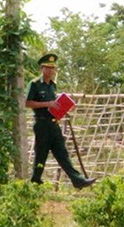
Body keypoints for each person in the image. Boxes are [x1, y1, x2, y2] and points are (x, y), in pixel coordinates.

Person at [26, 53, 95, 189]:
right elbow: (27, 103)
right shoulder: (34, 84)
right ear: (42, 68)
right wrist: (47, 104)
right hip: (41, 124)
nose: (50, 71)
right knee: (41, 155)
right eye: (47, 68)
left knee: (62, 153)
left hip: (53, 123)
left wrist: (64, 108)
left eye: (52, 68)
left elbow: (54, 105)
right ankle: (35, 182)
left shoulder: (53, 86)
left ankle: (78, 180)